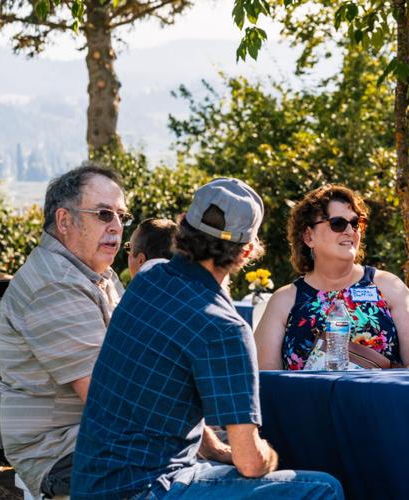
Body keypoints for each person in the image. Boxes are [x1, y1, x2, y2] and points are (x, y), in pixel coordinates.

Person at [71, 178, 343, 499]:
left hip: (91, 484)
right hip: (149, 489)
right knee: (323, 488)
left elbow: (163, 397)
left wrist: (216, 450)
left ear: (183, 224)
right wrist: (270, 454)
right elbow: (251, 463)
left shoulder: (147, 279)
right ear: (247, 251)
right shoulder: (224, 327)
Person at [0, 164, 128, 498]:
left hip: (97, 442)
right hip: (68, 453)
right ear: (64, 220)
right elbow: (109, 397)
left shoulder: (96, 275)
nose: (116, 226)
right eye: (103, 214)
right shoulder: (55, 285)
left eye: (121, 216)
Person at [255, 184, 409, 371]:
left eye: (356, 223)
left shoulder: (389, 287)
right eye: (337, 223)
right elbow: (266, 377)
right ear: (308, 236)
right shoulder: (284, 300)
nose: (350, 231)